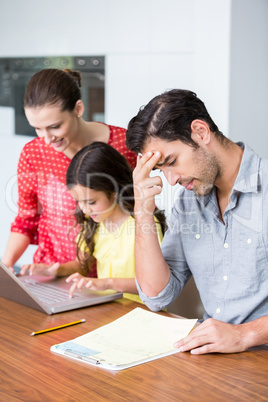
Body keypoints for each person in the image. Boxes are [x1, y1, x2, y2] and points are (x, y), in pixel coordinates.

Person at [125, 88, 268, 354]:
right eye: (160, 170)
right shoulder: (187, 203)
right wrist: (142, 212)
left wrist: (244, 334)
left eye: (172, 162)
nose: (170, 180)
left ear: (201, 132)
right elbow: (157, 296)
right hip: (211, 361)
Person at [2, 68, 136, 275]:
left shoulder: (124, 147)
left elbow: (137, 213)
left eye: (55, 126)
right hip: (48, 271)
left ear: (78, 109)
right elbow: (26, 218)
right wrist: (6, 266)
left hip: (105, 277)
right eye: (37, 128)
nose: (46, 139)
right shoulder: (33, 153)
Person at [22, 142, 165, 301]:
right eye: (79, 202)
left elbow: (155, 286)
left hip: (141, 313)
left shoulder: (145, 225)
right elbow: (81, 266)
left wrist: (106, 283)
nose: (84, 210)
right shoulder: (94, 222)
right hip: (107, 308)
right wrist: (53, 271)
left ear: (114, 191)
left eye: (91, 202)